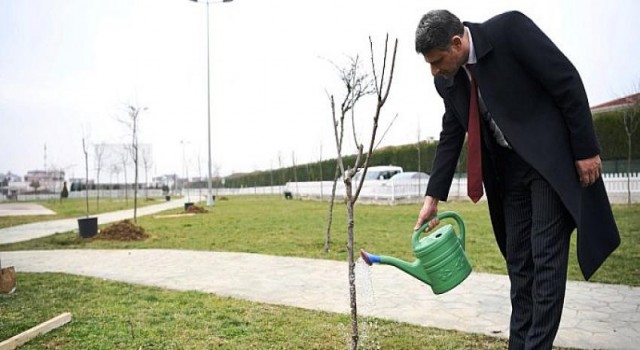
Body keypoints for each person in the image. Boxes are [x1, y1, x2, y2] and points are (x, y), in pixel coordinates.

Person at [413, 10, 620, 350]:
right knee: (519, 264)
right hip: (508, 175)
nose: (434, 71)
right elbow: (452, 133)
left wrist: (586, 149)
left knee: (545, 258)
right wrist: (432, 197)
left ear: (456, 42)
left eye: (436, 61)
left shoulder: (510, 31)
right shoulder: (447, 80)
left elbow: (566, 80)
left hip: (546, 163)